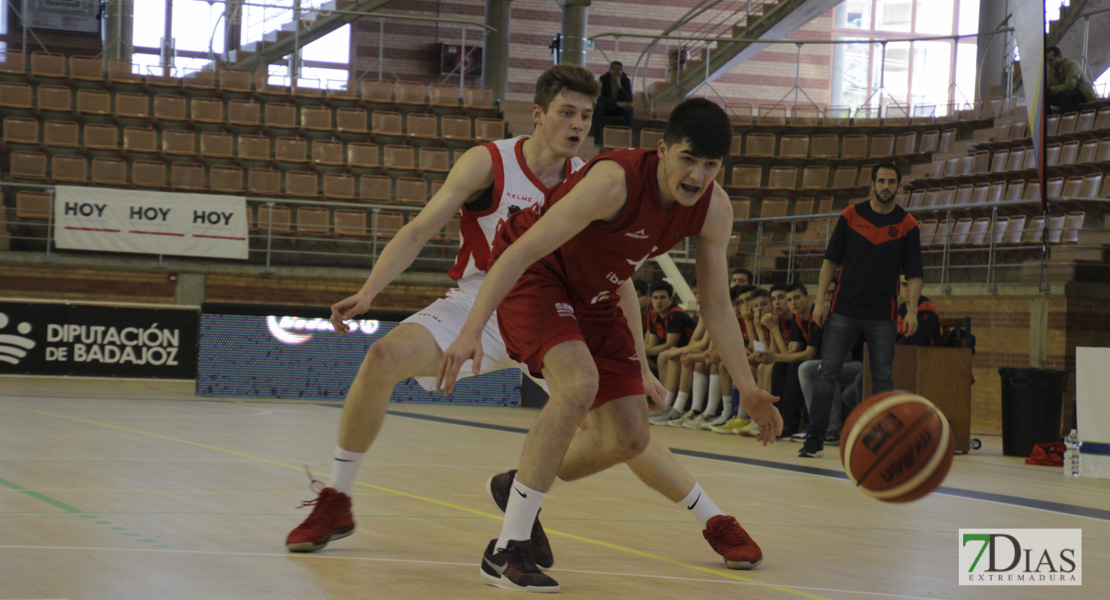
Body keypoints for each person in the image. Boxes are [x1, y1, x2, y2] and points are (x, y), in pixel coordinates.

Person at [437, 98, 782, 591]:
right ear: (662, 150)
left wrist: (747, 387)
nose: (696, 175)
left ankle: (519, 485)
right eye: (687, 159)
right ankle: (506, 549)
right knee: (578, 383)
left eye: (709, 165)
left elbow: (718, 306)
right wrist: (472, 328)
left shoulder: (714, 208)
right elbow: (521, 250)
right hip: (539, 276)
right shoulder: (613, 181)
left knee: (629, 438)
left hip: (597, 295)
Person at [282, 64, 601, 553]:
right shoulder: (488, 163)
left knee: (611, 432)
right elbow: (417, 230)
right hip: (476, 299)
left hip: (546, 308)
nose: (578, 124)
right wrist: (369, 291)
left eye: (586, 115)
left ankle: (709, 517)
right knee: (382, 358)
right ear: (539, 115)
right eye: (567, 112)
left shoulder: (590, 180)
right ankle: (337, 499)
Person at [800, 161, 923, 458]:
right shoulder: (850, 215)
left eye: (891, 182)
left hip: (883, 313)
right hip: (843, 308)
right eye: (881, 181)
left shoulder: (908, 225)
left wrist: (913, 311)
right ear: (872, 184)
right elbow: (830, 261)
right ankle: (815, 438)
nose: (886, 186)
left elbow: (915, 273)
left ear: (899, 186)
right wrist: (819, 301)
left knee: (882, 378)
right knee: (826, 372)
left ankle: (882, 439)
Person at [644, 281, 696, 376]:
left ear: (671, 299)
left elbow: (670, 344)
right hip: (672, 350)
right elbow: (652, 344)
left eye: (662, 297)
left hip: (687, 349)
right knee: (640, 359)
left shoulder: (675, 314)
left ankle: (666, 389)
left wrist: (641, 352)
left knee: (662, 357)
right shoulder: (653, 314)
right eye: (655, 298)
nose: (658, 301)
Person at [592, 61, 634, 145]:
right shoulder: (603, 79)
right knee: (599, 106)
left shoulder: (625, 80)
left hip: (619, 110)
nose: (615, 71)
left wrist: (619, 85)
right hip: (607, 107)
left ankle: (626, 138)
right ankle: (598, 138)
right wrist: (616, 103)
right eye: (613, 69)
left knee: (630, 109)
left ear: (622, 71)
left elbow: (629, 99)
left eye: (618, 69)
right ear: (610, 70)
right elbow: (600, 98)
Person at [1047, 46, 1097, 115]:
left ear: (1059, 56)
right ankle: (1047, 122)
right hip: (1067, 95)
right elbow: (1049, 86)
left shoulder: (1071, 64)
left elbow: (1069, 86)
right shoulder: (1051, 69)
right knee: (1044, 98)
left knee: (1065, 94)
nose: (1049, 63)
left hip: (1082, 93)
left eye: (1051, 60)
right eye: (1047, 61)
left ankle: (1067, 120)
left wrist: (1050, 90)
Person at [896, 275, 941, 346]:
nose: (908, 289)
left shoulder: (928, 309)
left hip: (927, 355)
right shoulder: (898, 309)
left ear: (921, 284)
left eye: (911, 285)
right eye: (904, 284)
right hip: (901, 354)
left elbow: (917, 342)